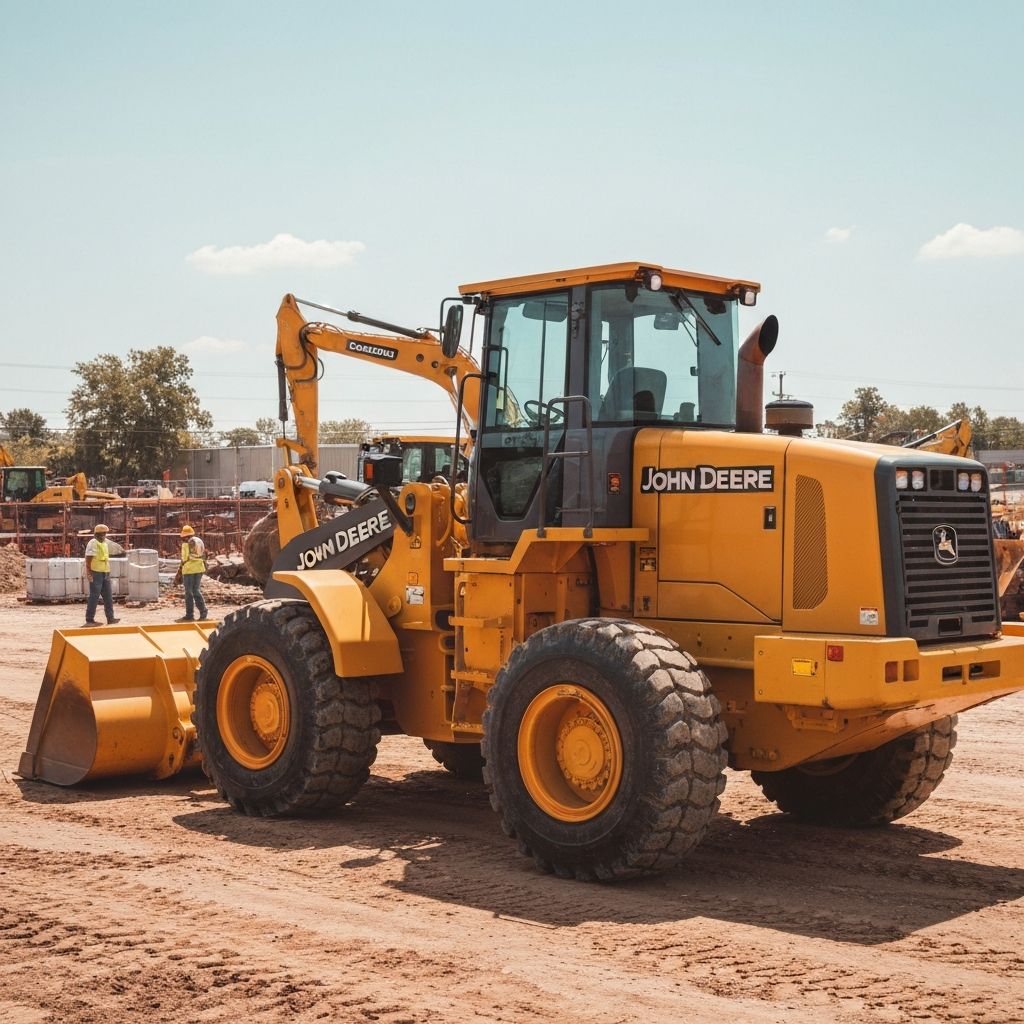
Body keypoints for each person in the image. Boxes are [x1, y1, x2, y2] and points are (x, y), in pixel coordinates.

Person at [83, 523, 122, 627]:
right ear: (98, 534)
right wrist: (88, 572)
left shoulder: (104, 543)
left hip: (105, 572)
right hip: (96, 572)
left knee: (108, 597)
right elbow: (88, 558)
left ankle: (110, 618)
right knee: (94, 597)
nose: (105, 535)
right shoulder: (93, 543)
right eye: (103, 533)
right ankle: (89, 619)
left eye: (105, 533)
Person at [175, 524, 208, 621]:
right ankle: (203, 612)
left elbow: (184, 558)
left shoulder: (186, 544)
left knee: (188, 593)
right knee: (196, 590)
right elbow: (203, 554)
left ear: (185, 536)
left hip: (189, 570)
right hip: (199, 568)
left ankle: (189, 615)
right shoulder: (199, 541)